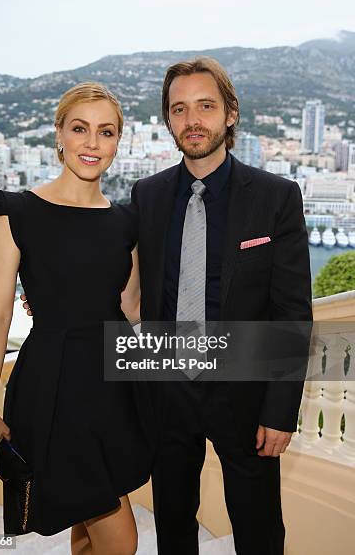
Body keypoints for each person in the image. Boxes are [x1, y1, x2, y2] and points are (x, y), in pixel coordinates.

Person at [129, 58, 312, 554]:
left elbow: (292, 311)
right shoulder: (146, 195)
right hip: (167, 394)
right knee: (172, 525)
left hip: (247, 397)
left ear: (230, 113)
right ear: (168, 121)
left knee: (258, 531)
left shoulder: (276, 197)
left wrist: (280, 410)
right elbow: (108, 263)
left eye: (205, 106)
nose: (193, 120)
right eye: (179, 109)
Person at [0, 83, 155, 555]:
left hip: (113, 388)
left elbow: (132, 311)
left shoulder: (126, 221)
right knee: (120, 538)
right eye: (80, 129)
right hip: (53, 388)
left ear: (119, 142)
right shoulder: (16, 213)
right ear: (59, 134)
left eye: (106, 132)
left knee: (88, 518)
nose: (93, 144)